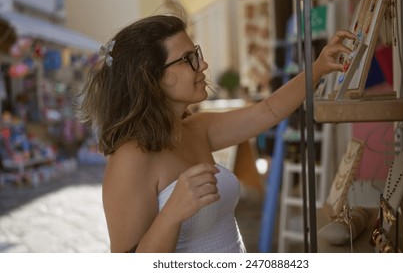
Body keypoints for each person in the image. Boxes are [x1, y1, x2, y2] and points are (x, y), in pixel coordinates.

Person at [78, 13, 355, 253]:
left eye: (195, 53)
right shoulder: (130, 158)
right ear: (151, 78)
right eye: (188, 59)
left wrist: (317, 69)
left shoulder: (197, 128)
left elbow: (267, 111)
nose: (203, 65)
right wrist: (172, 214)